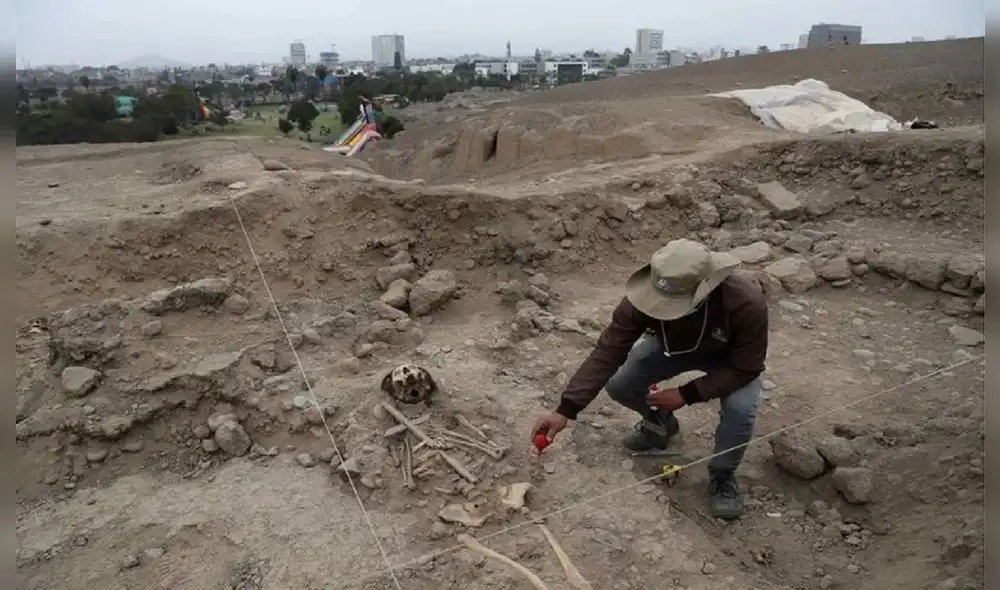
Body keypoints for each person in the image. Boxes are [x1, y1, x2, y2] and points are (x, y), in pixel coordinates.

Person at [530, 238, 768, 519]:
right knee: (621, 383)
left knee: (740, 411)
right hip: (674, 347)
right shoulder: (639, 301)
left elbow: (747, 368)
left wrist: (686, 394)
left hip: (732, 361)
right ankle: (660, 425)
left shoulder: (745, 303)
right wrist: (565, 409)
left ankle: (723, 475)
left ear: (706, 289)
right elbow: (608, 351)